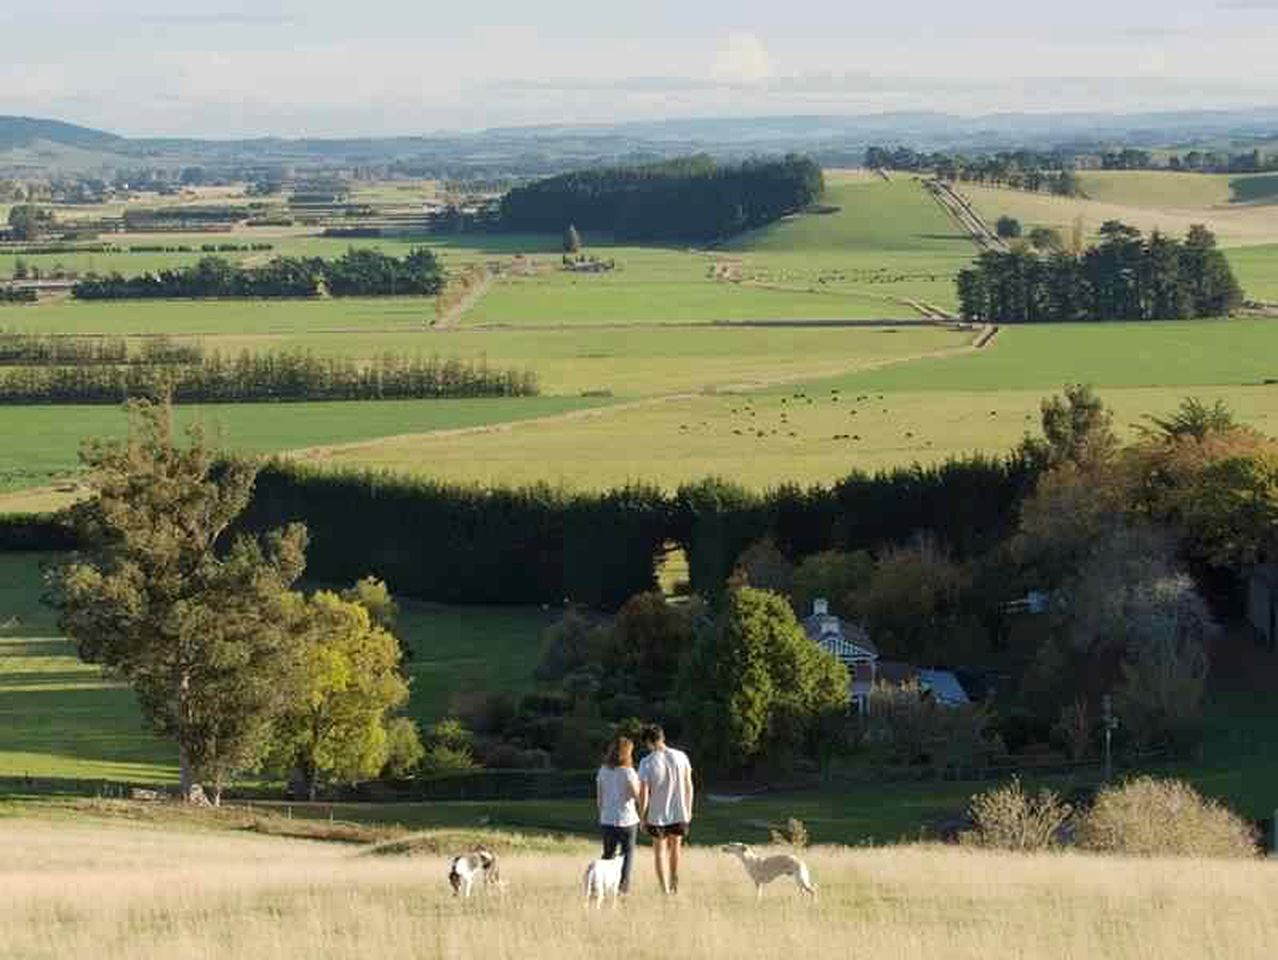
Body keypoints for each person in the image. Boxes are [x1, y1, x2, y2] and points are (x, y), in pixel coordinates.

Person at [637, 724, 694, 895]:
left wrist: (642, 816)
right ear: (662, 737)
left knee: (659, 852)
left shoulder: (647, 762)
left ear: (648, 742)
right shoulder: (681, 756)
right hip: (680, 811)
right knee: (675, 848)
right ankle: (675, 883)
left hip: (657, 814)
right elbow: (689, 785)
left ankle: (664, 890)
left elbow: (644, 793)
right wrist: (689, 809)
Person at [596, 734, 641, 896]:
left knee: (608, 854)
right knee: (627, 855)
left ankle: (602, 884)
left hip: (607, 819)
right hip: (627, 819)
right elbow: (637, 796)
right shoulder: (628, 772)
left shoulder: (602, 771)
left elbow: (599, 798)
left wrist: (602, 814)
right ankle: (622, 889)